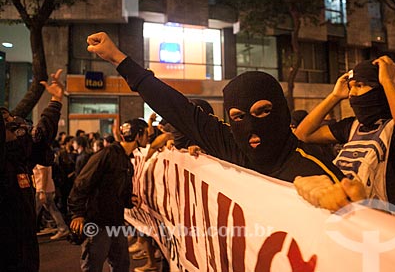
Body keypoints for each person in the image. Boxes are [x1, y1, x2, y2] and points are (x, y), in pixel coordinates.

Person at [86, 32, 365, 208]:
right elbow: (176, 107)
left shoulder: (314, 169)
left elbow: (369, 239)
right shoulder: (231, 145)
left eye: (263, 112)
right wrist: (118, 59)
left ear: (281, 111)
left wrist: (345, 204)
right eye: (239, 118)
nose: (252, 127)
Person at [294, 57, 395, 216]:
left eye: (360, 85)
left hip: (394, 226)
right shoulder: (352, 126)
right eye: (351, 87)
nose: (352, 94)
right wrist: (334, 96)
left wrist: (388, 81)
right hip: (355, 219)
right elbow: (303, 134)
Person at [0, 69, 64, 271]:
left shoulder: (18, 156)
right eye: (7, 122)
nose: (14, 123)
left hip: (26, 248)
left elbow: (40, 137)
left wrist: (55, 100)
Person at [68, 118, 147, 272]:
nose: (149, 138)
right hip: (96, 222)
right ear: (138, 135)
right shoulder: (106, 155)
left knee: (121, 265)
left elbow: (118, 191)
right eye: (147, 134)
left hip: (116, 222)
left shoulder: (126, 161)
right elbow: (81, 183)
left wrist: (129, 199)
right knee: (93, 266)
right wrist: (77, 214)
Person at [33, 164, 70, 240]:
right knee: (52, 209)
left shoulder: (41, 160)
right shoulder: (45, 159)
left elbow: (44, 173)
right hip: (45, 189)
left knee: (34, 211)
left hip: (41, 189)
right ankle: (63, 228)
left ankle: (28, 232)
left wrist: (42, 191)